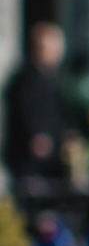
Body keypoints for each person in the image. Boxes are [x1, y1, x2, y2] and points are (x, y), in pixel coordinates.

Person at [3, 21, 72, 187]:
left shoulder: (54, 77)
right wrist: (37, 134)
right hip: (30, 155)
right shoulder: (27, 78)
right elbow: (26, 110)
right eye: (54, 47)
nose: (58, 52)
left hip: (50, 154)